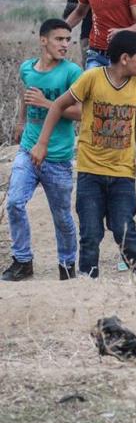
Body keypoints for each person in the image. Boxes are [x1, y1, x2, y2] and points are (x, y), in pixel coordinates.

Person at [30, 31, 136, 287]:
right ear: (124, 58)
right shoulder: (92, 78)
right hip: (90, 172)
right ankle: (88, 285)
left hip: (122, 173)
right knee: (90, 234)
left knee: (124, 231)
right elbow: (58, 105)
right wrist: (42, 143)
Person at [1, 19, 82, 282]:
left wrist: (47, 103)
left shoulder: (72, 72)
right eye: (59, 39)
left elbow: (80, 113)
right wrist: (21, 121)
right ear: (43, 40)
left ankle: (67, 266)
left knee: (62, 217)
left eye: (68, 40)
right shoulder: (27, 68)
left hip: (58, 156)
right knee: (14, 202)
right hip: (28, 150)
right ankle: (22, 261)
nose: (65, 44)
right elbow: (26, 95)